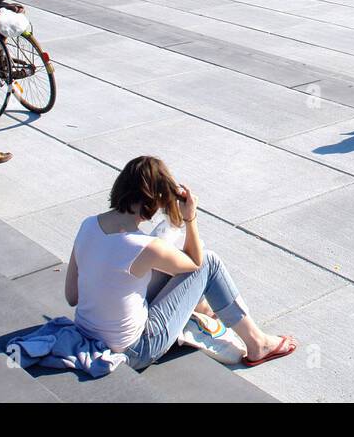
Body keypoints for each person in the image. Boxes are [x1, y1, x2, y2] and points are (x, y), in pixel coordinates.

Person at [65, 156, 297, 370]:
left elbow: (72, 297)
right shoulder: (143, 247)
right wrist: (190, 217)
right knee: (209, 262)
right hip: (135, 348)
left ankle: (201, 307)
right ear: (155, 199)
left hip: (87, 333)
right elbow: (197, 263)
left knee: (163, 246)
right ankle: (258, 344)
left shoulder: (88, 225)